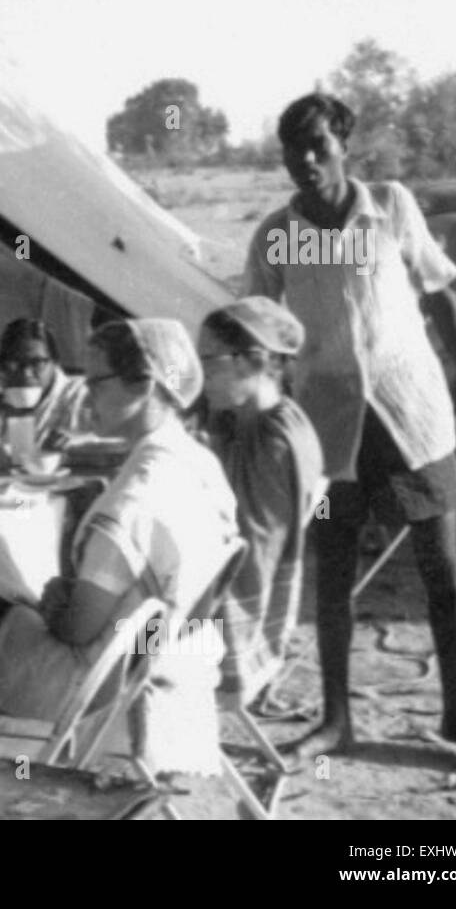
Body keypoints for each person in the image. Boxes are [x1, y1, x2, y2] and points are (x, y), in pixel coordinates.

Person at [245, 93, 456, 765]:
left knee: (442, 571)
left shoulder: (390, 205)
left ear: (345, 145)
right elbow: (257, 327)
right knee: (332, 575)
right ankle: (337, 720)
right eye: (291, 148)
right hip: (328, 425)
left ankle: (454, 714)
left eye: (319, 145)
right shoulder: (277, 231)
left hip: (413, 413)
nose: (304, 161)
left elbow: (440, 295)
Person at [0, 319, 240, 773]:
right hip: (177, 658)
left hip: (107, 690)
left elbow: (77, 631)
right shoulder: (198, 460)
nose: (86, 396)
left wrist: (55, 604)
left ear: (145, 384)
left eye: (97, 382)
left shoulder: (135, 497)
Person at [199, 297, 324, 702]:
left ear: (252, 361)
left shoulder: (275, 441)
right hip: (232, 593)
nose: (202, 377)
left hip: (235, 619)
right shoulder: (246, 419)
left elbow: (254, 551)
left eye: (209, 361)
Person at [0, 318, 92, 453]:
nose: (26, 373)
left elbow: (106, 442)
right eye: (15, 363)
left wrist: (77, 444)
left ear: (55, 362)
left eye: (37, 363)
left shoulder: (81, 395)